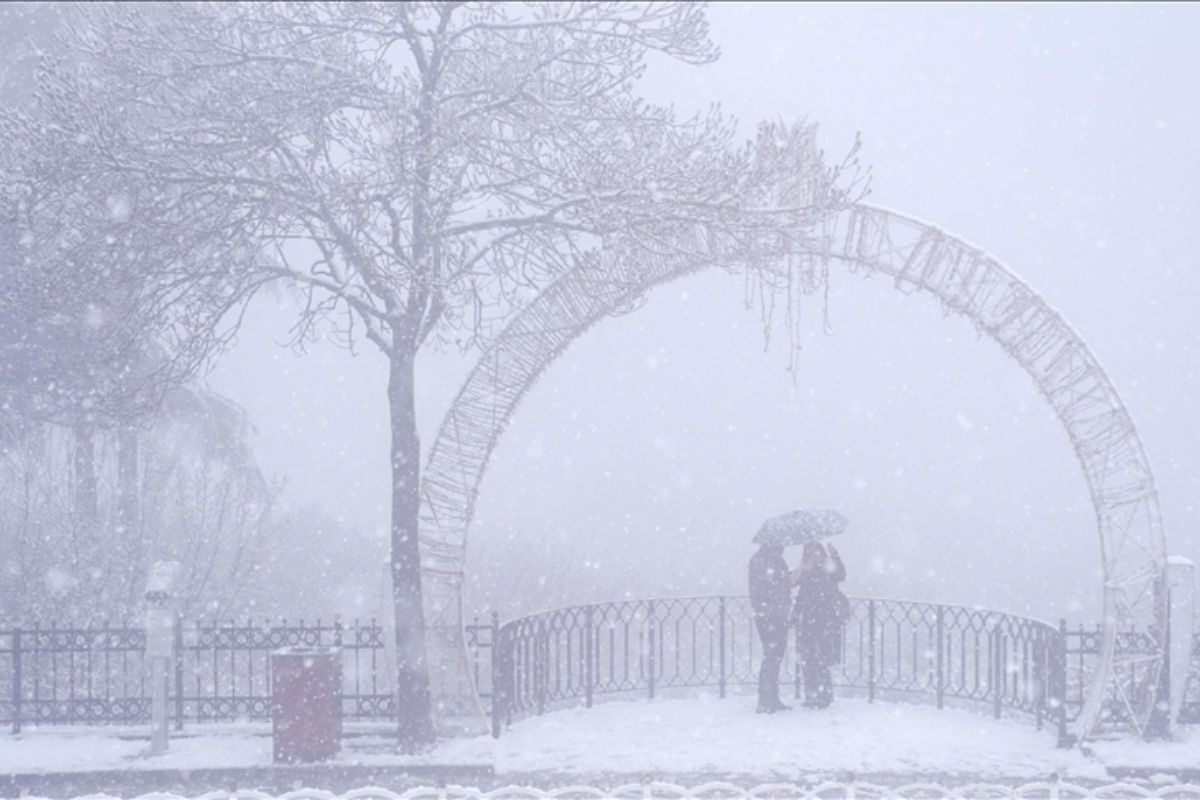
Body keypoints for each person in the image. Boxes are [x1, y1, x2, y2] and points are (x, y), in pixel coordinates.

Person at [791, 541, 847, 709]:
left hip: (826, 620)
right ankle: (812, 695)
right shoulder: (806, 572)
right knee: (808, 658)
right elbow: (801, 594)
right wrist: (795, 615)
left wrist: (835, 555)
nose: (813, 556)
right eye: (809, 553)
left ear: (822, 554)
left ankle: (823, 696)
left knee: (822, 658)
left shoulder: (827, 567)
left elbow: (841, 575)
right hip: (809, 620)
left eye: (816, 552)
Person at [748, 542, 800, 713]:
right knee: (772, 655)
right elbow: (773, 584)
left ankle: (771, 698)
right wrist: (788, 579)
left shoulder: (772, 559)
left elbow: (781, 582)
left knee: (774, 655)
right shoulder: (762, 560)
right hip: (770, 614)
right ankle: (766, 700)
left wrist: (795, 575)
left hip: (775, 613)